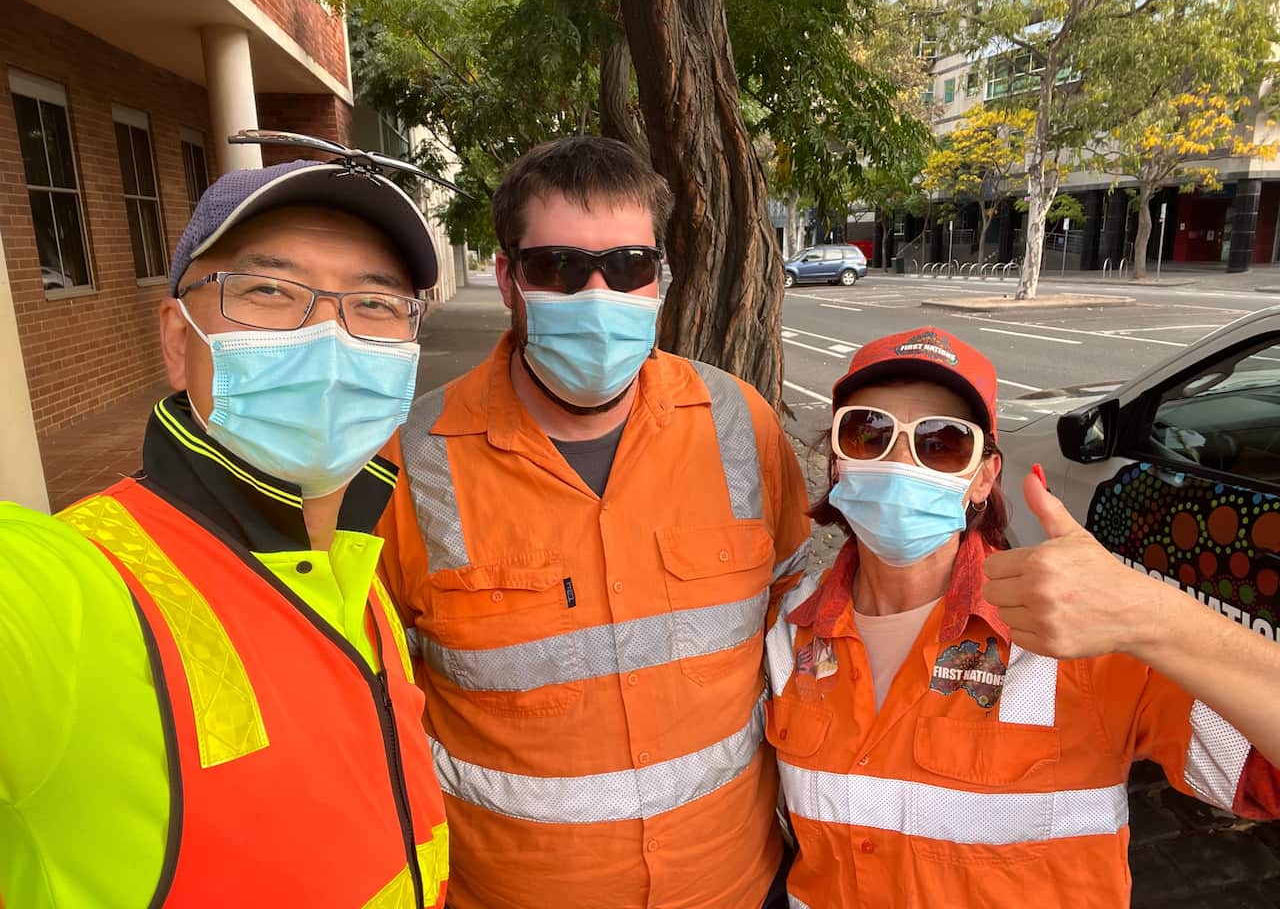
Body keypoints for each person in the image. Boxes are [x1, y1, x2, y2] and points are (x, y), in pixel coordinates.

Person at [0, 150, 450, 908]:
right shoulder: (74, 588)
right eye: (270, 290)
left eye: (375, 305)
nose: (329, 337)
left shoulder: (352, 567)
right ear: (178, 341)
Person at [376, 136, 812, 909]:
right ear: (508, 278)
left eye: (629, 265)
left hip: (735, 887)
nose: (598, 295)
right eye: (559, 269)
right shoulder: (407, 464)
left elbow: (794, 623)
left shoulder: (739, 424)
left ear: (658, 280)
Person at [764, 326, 1280, 908]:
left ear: (983, 476)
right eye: (868, 433)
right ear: (838, 461)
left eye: (942, 442)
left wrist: (1152, 614)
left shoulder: (1086, 633)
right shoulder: (786, 630)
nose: (900, 462)